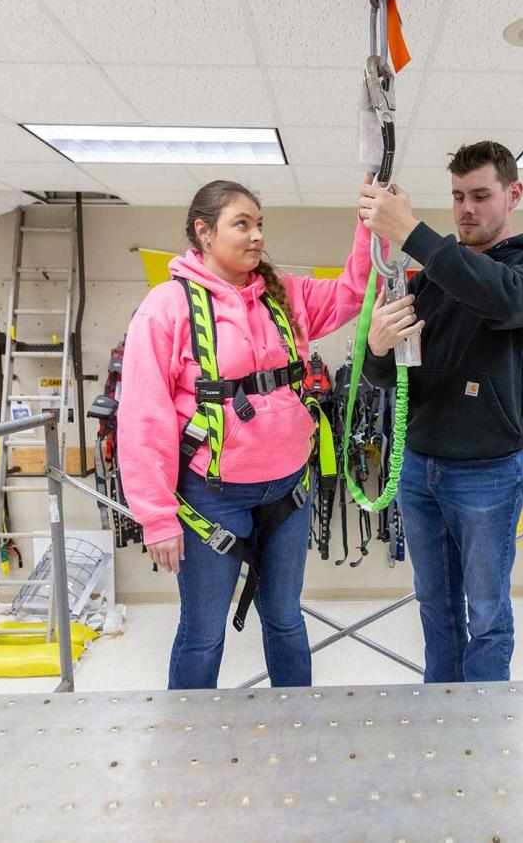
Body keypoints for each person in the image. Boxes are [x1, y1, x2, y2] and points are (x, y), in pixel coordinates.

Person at [118, 179, 377, 690]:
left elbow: (353, 290)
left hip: (288, 491)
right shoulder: (166, 307)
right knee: (203, 632)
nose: (257, 236)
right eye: (243, 224)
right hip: (210, 500)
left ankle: (295, 727)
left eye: (260, 224)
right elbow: (143, 416)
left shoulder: (286, 299)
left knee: (284, 618)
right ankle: (189, 750)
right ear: (203, 232)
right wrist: (156, 518)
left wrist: (371, 223)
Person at [358, 141, 523, 683]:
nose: (466, 209)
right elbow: (390, 377)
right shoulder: (432, 277)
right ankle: (441, 714)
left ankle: (481, 727)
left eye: (480, 195)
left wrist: (412, 235)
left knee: (487, 613)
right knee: (436, 609)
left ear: (513, 194)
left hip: (487, 475)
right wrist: (379, 349)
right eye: (457, 197)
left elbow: (500, 299)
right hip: (419, 468)